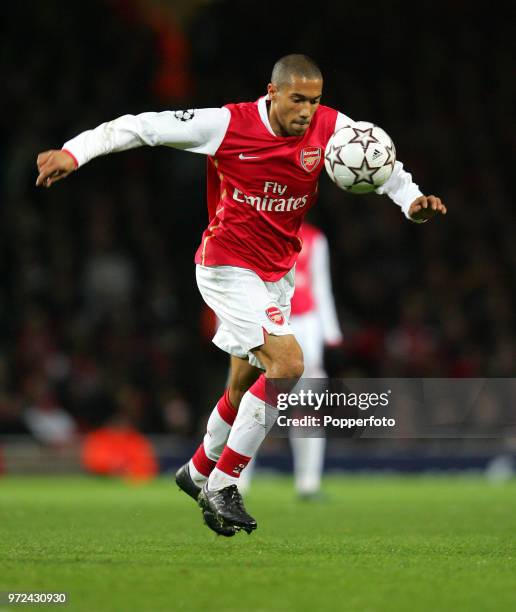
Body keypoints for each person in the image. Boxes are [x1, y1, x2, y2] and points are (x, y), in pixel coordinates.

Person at [36, 54, 447, 537]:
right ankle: (224, 482)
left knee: (242, 383)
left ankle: (195, 470)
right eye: (297, 100)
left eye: (315, 101)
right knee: (289, 366)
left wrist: (410, 199)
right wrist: (74, 152)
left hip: (277, 272)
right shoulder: (228, 124)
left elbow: (381, 162)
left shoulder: (334, 127)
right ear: (272, 93)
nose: (307, 112)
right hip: (226, 266)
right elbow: (143, 126)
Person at [237, 221, 342, 499]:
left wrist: (330, 332)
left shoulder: (315, 238)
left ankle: (308, 484)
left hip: (306, 323)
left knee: (308, 407)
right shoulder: (256, 231)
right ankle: (235, 480)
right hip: (266, 322)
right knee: (254, 402)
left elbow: (321, 286)